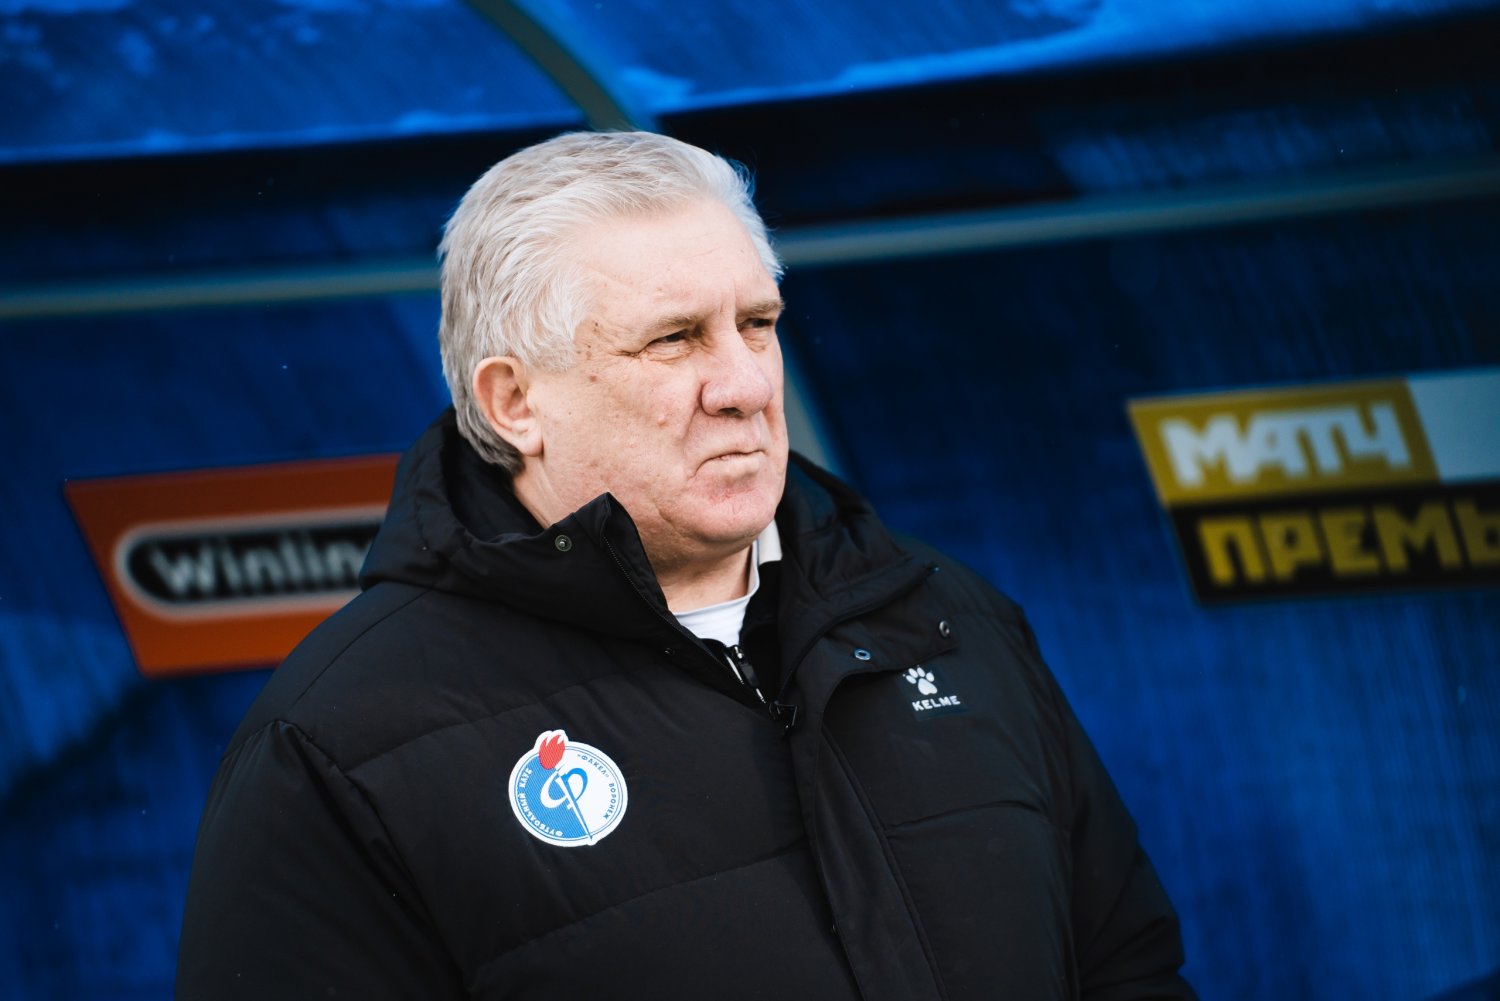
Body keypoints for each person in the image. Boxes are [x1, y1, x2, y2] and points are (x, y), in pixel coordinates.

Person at [177, 131, 1195, 1000]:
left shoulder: (947, 619)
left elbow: (1128, 968)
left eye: (758, 324)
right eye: (673, 340)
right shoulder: (337, 742)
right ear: (515, 401)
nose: (745, 383)